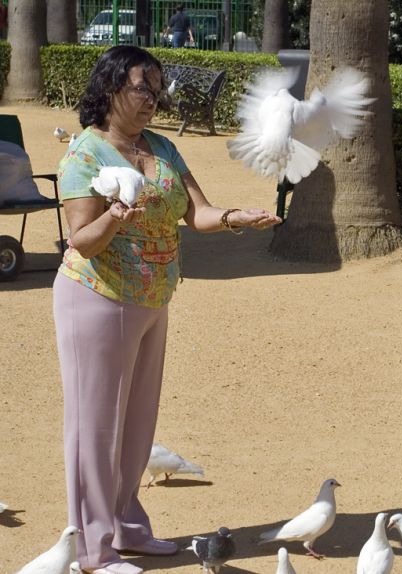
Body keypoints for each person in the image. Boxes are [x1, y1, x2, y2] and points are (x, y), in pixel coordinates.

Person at [53, 46, 281, 574]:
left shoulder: (161, 148)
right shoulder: (85, 154)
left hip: (153, 300)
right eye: (141, 87)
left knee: (136, 424)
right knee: (94, 428)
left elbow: (196, 213)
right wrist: (116, 214)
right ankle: (91, 550)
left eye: (157, 88)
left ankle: (127, 526)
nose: (152, 98)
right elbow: (81, 241)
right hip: (97, 298)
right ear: (110, 89)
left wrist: (233, 217)